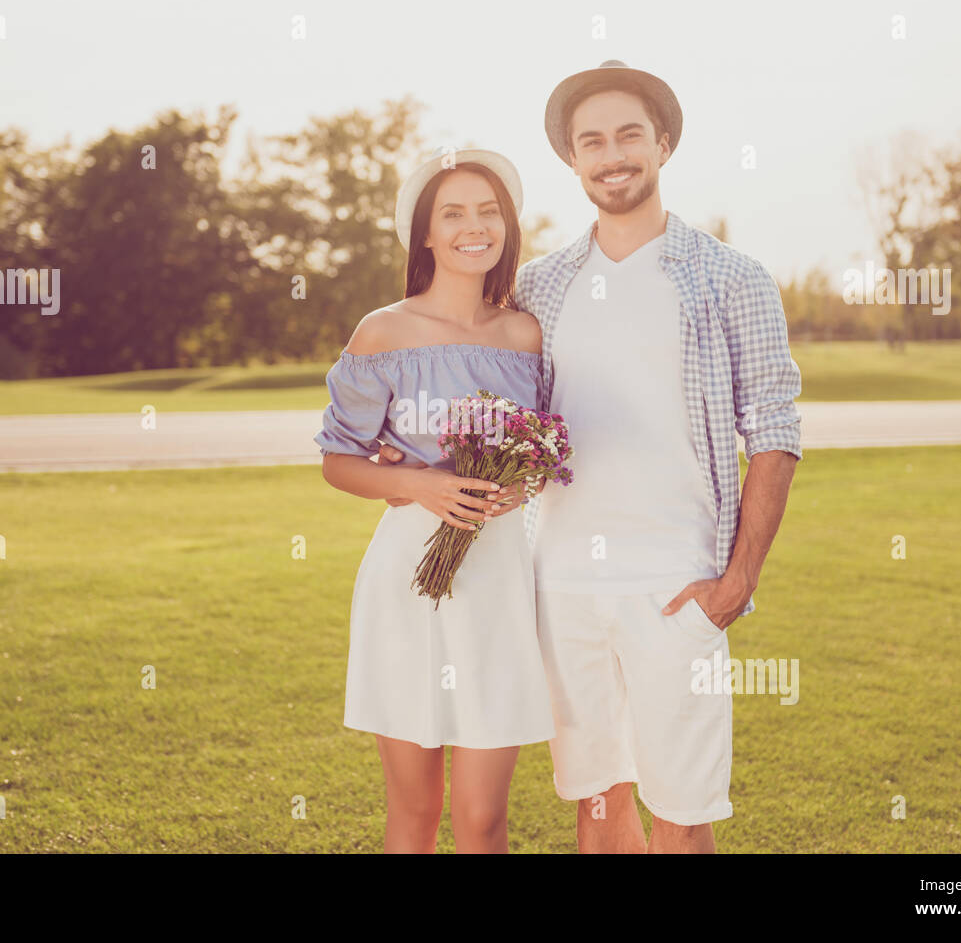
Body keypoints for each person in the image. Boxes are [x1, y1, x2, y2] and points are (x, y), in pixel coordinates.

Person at [377, 61, 803, 853]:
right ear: (572, 160)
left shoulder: (732, 279)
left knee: (681, 815)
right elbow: (470, 375)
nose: (612, 155)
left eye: (629, 135)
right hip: (563, 586)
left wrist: (737, 581)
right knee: (599, 811)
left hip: (679, 587)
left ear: (664, 144)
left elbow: (775, 432)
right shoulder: (542, 286)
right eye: (591, 141)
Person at [313, 149, 554, 853]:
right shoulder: (384, 332)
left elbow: (535, 450)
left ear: (507, 227)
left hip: (498, 582)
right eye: (453, 213)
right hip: (406, 584)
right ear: (425, 233)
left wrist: (520, 483)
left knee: (483, 819)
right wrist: (418, 484)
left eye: (488, 212)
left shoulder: (524, 335)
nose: (472, 227)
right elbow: (337, 460)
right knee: (414, 816)